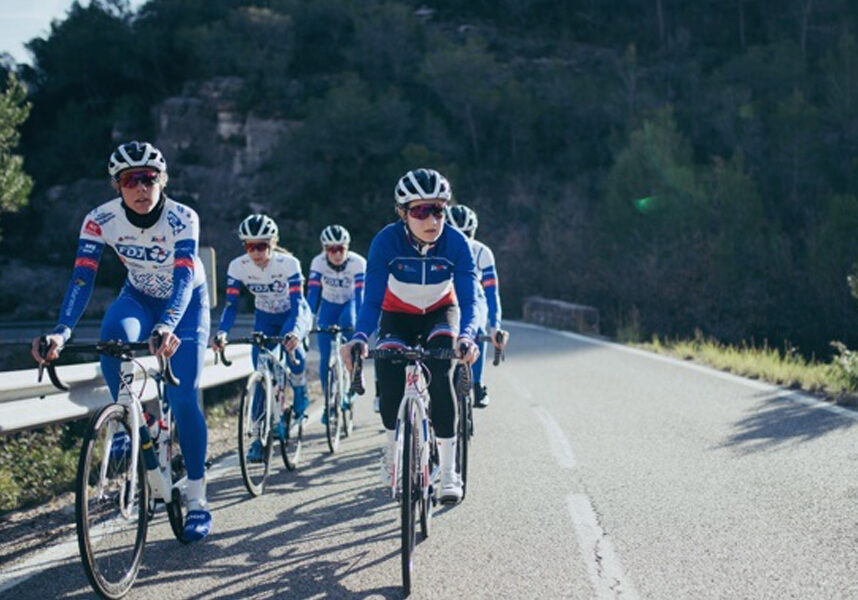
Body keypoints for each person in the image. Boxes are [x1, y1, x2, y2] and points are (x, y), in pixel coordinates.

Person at [31, 141, 213, 542]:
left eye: (149, 178)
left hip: (185, 304)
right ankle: (138, 424)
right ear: (117, 186)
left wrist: (167, 324)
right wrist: (61, 331)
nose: (141, 188)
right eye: (131, 180)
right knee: (111, 344)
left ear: (162, 181)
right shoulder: (99, 220)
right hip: (138, 297)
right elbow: (82, 278)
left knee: (184, 398)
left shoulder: (183, 218)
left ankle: (198, 498)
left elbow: (183, 278)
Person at [342, 168, 480, 504]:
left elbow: (469, 297)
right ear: (404, 213)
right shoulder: (385, 241)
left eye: (439, 209)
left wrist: (468, 337)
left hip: (439, 313)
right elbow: (372, 298)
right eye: (421, 210)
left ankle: (448, 471)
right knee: (389, 382)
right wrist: (360, 336)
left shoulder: (456, 243)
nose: (432, 219)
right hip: (397, 315)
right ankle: (393, 450)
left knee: (442, 377)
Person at [211, 214, 311, 460]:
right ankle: (258, 438)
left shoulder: (289, 264)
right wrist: (222, 331)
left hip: (292, 314)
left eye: (262, 246)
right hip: (265, 317)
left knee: (294, 352)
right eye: (249, 246)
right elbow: (231, 306)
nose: (255, 252)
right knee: (260, 374)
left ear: (273, 243)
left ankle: (300, 389)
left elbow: (298, 304)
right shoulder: (238, 266)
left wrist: (295, 332)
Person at [445, 204, 508, 407]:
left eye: (468, 233)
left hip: (474, 297)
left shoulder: (483, 252)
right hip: (447, 296)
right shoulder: (438, 248)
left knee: (478, 330)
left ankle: (478, 384)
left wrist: (495, 326)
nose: (464, 239)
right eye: (457, 233)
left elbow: (491, 292)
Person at [306, 225, 366, 423]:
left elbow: (360, 296)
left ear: (347, 247)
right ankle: (328, 403)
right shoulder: (318, 263)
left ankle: (355, 374)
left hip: (348, 304)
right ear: (325, 250)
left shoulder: (358, 263)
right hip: (328, 306)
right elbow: (312, 295)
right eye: (331, 249)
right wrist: (306, 321)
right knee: (325, 356)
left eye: (340, 248)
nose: (337, 254)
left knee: (350, 324)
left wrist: (360, 326)